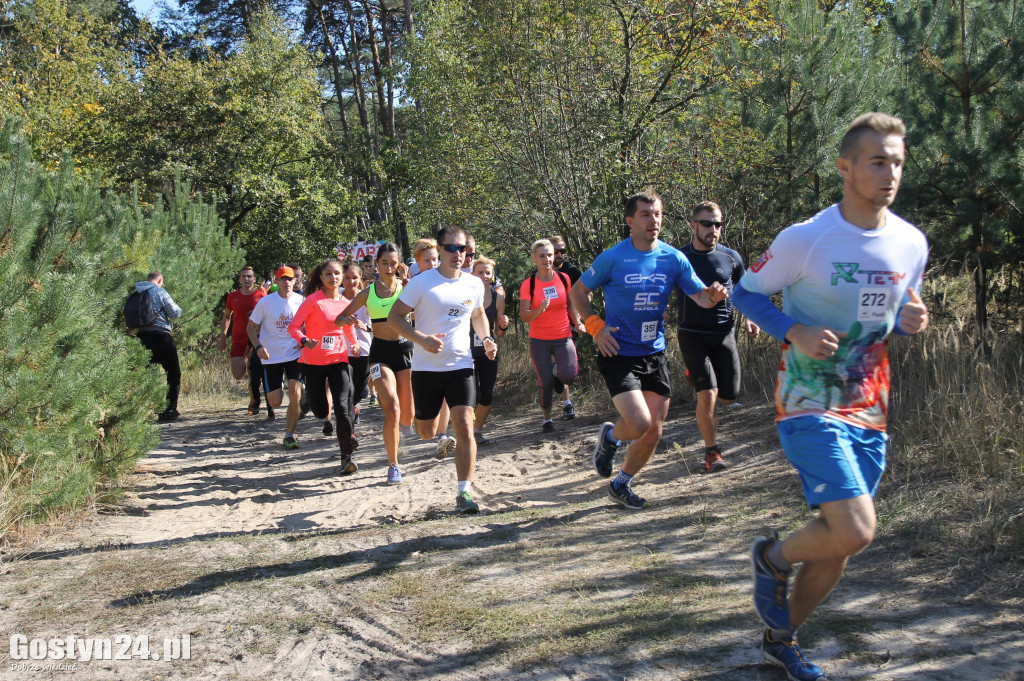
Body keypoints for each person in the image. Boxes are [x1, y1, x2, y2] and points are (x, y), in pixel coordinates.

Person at [732, 113, 929, 681]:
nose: (890, 172)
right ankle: (769, 558)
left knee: (840, 545)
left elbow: (901, 304)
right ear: (845, 167)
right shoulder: (806, 238)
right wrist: (791, 329)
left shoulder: (911, 242)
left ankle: (780, 637)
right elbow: (747, 294)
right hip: (809, 401)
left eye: (896, 161)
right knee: (857, 528)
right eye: (877, 161)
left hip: (870, 407)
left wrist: (914, 317)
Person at [569, 190, 727, 509]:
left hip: (654, 353)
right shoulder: (613, 257)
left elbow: (700, 298)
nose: (653, 220)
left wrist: (714, 296)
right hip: (618, 351)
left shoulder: (673, 258)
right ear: (630, 221)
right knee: (639, 424)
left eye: (657, 214)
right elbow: (578, 291)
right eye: (645, 214)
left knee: (653, 432)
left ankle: (620, 483)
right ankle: (612, 437)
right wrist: (596, 328)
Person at [388, 226, 498, 513]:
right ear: (439, 250)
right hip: (426, 370)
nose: (457, 254)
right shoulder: (422, 283)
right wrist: (420, 338)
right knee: (425, 430)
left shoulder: (473, 284)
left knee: (464, 427)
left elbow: (477, 316)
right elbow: (394, 317)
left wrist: (486, 338)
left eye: (462, 249)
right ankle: (432, 436)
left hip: (461, 365)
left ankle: (464, 493)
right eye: (451, 248)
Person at [676, 201, 761, 473]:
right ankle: (712, 452)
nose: (713, 229)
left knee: (728, 396)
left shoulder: (731, 257)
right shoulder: (679, 258)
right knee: (708, 395)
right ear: (693, 225)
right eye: (706, 223)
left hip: (724, 333)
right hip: (692, 333)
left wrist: (750, 317)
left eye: (717, 224)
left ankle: (694, 374)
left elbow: (744, 291)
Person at [337, 245, 415, 484]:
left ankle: (403, 431)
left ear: (399, 264)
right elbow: (340, 318)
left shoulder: (407, 288)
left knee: (407, 416)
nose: (389, 268)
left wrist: (409, 282)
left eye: (393, 263)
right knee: (391, 407)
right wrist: (347, 319)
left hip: (406, 351)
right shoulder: (367, 292)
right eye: (384, 263)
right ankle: (393, 465)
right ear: (377, 264)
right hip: (380, 352)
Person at [288, 259, 361, 474]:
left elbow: (347, 327)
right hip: (313, 363)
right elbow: (294, 327)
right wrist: (304, 341)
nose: (334, 278)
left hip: (339, 360)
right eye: (328, 274)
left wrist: (354, 344)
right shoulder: (313, 301)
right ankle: (309, 399)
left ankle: (346, 456)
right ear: (321, 277)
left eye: (337, 273)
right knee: (321, 411)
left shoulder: (345, 302)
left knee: (342, 407)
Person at [519, 239, 586, 432]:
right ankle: (547, 420)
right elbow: (524, 316)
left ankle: (557, 369)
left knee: (570, 375)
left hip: (563, 336)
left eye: (549, 254)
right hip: (539, 340)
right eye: (542, 256)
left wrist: (578, 322)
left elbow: (570, 304)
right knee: (546, 382)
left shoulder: (564, 278)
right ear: (534, 258)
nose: (547, 259)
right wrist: (539, 310)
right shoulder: (529, 284)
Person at [247, 266, 305, 448]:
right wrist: (258, 347)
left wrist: (303, 339)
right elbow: (250, 326)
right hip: (271, 356)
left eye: (290, 279)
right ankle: (278, 385)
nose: (287, 282)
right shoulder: (266, 303)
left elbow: (309, 323)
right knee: (275, 401)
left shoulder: (301, 301)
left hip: (294, 354)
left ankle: (289, 435)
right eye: (283, 279)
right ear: (277, 281)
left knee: (295, 395)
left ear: (295, 280)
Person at [133, 272, 184, 422]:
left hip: (142, 337)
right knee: (173, 373)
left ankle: (143, 410)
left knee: (148, 375)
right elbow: (174, 313)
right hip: (161, 336)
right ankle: (169, 410)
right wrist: (179, 309)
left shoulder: (136, 292)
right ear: (160, 280)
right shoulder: (159, 291)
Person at [219, 266, 268, 416]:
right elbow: (227, 316)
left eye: (249, 276)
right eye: (243, 276)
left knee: (252, 373)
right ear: (240, 279)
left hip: (256, 340)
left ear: (254, 279)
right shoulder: (233, 296)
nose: (246, 279)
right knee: (238, 374)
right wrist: (222, 335)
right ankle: (253, 393)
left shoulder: (261, 296)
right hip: (238, 339)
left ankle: (253, 402)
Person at [470, 257, 508, 445]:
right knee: (471, 394)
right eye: (480, 272)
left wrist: (503, 326)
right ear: (472, 274)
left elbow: (499, 334)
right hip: (466, 350)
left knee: (486, 393)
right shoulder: (465, 295)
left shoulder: (498, 299)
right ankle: (465, 430)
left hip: (488, 351)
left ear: (492, 276)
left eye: (487, 273)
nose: (484, 276)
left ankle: (476, 431)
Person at [549, 234, 586, 409]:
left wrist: (579, 314)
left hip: (569, 323)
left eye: (562, 250)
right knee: (553, 362)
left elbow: (587, 293)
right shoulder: (538, 274)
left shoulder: (572, 272)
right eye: (555, 251)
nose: (559, 254)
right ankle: (567, 404)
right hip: (546, 326)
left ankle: (557, 374)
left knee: (565, 367)